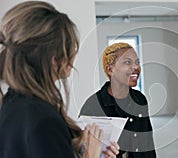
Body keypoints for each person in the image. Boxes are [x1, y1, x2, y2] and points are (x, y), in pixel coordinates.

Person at [0, 1, 119, 158]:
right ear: (54, 59)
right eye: (72, 49)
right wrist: (91, 155)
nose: (75, 56)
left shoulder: (10, 105)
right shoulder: (44, 121)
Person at [79, 42, 156, 158]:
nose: (136, 67)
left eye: (137, 62)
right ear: (110, 70)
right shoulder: (93, 106)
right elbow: (83, 151)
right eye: (127, 62)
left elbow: (148, 144)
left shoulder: (140, 99)